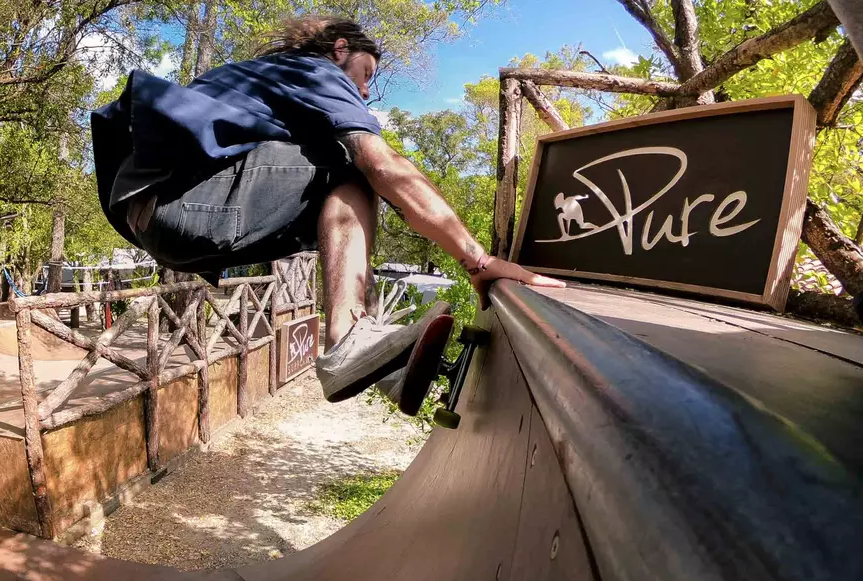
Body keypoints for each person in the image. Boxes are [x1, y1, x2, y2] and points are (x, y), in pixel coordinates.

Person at [91, 16, 563, 404]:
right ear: (340, 50)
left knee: (343, 197)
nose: (363, 91)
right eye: (365, 75)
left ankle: (375, 354)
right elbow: (384, 166)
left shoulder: (269, 86)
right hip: (185, 200)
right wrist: (476, 261)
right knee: (357, 166)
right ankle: (347, 338)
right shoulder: (313, 71)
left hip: (165, 221)